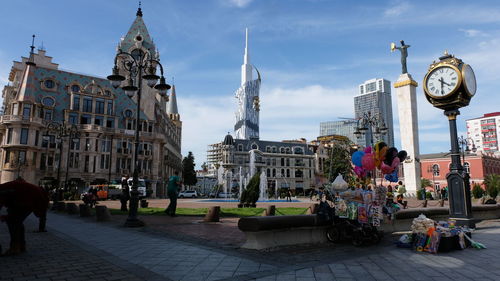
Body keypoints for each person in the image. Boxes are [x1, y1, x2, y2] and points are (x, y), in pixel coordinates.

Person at [0, 178, 49, 255]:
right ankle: (21, 246)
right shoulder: (4, 188)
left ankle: (15, 248)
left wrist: (6, 217)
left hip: (31, 199)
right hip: (30, 198)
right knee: (16, 221)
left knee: (13, 222)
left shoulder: (2, 190)